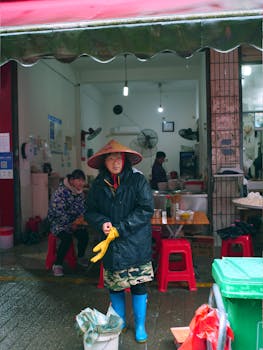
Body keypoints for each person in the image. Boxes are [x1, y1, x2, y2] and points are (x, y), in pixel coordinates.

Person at [85, 139, 154, 343]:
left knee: (138, 285)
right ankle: (120, 321)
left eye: (119, 158)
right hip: (112, 246)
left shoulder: (137, 181)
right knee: (115, 286)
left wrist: (121, 228)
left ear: (125, 161)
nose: (116, 162)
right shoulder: (98, 185)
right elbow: (90, 211)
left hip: (136, 243)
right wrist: (102, 223)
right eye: (111, 158)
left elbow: (145, 210)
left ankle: (140, 325)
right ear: (104, 162)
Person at [48, 169, 89, 277]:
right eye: (78, 180)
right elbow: (57, 212)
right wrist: (71, 224)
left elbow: (82, 209)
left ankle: (80, 257)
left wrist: (80, 219)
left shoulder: (80, 194)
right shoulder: (61, 192)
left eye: (83, 180)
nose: (81, 183)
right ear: (71, 180)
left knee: (84, 235)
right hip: (58, 223)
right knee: (66, 239)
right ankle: (57, 265)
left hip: (74, 223)